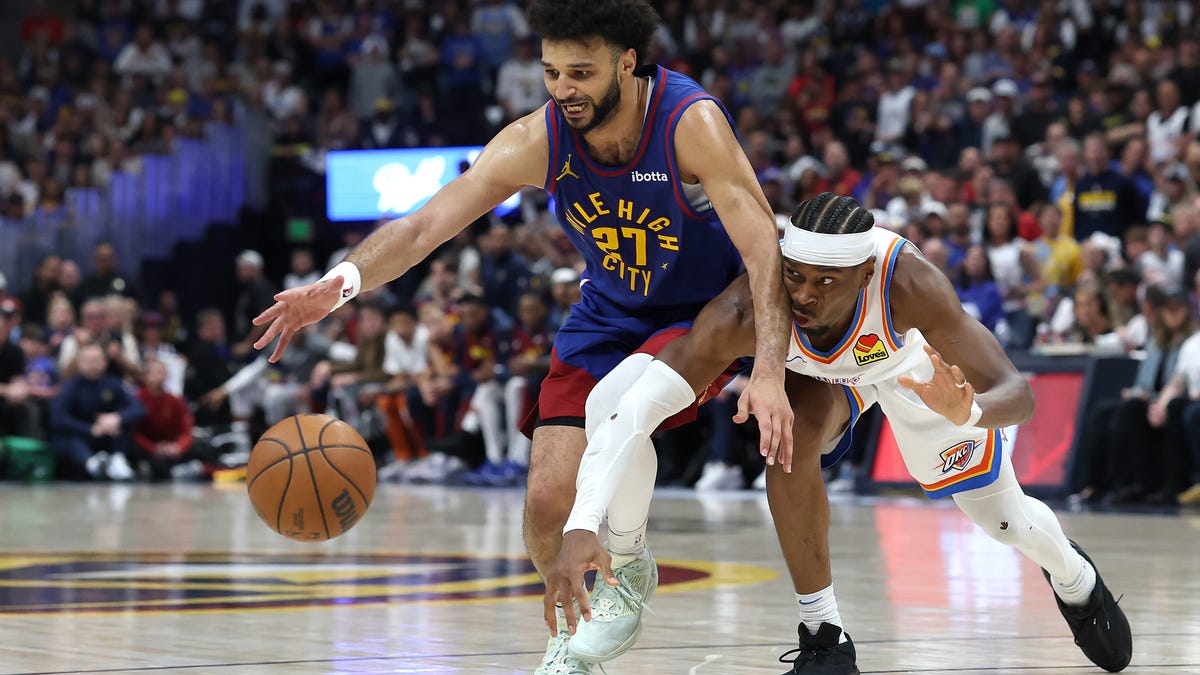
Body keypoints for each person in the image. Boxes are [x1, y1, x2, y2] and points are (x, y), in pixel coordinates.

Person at [250, 1, 793, 672]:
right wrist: (339, 284)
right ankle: (573, 627)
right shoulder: (535, 140)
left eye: (582, 72)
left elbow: (765, 247)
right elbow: (424, 227)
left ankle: (622, 570)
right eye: (551, 72)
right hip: (608, 312)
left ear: (628, 62)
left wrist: (769, 365)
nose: (563, 89)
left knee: (620, 414)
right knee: (543, 499)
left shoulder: (692, 124)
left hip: (700, 313)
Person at [545, 193, 1132, 673]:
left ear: (866, 271)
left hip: (909, 372)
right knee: (783, 440)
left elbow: (1018, 393)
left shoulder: (909, 282)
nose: (803, 294)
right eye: (796, 277)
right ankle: (824, 632)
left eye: (826, 283)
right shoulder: (748, 308)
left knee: (1003, 521)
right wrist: (581, 525)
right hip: (821, 381)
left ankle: (1074, 579)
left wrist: (969, 412)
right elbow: (633, 413)